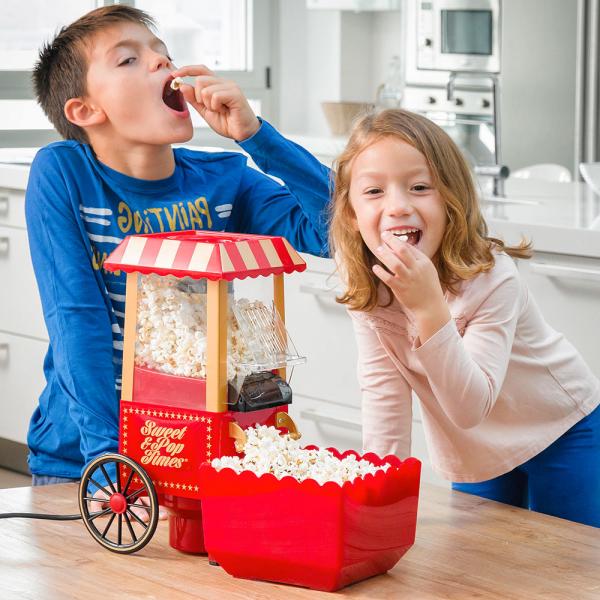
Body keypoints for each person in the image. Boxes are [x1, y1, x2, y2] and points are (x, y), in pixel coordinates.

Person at [26, 5, 330, 485]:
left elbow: (336, 231)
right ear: (85, 110)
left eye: (163, 54)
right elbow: (75, 318)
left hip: (202, 450)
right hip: (88, 456)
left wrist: (256, 137)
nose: (161, 64)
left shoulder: (226, 179)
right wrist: (109, 462)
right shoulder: (65, 174)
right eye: (128, 60)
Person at [328, 108, 600, 527]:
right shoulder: (369, 289)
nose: (398, 205)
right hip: (474, 447)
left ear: (452, 198)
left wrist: (428, 309)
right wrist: (373, 506)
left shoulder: (492, 278)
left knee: (572, 565)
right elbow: (385, 405)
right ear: (351, 212)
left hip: (561, 428)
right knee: (480, 569)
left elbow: (471, 405)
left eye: (420, 187)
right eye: (374, 192)